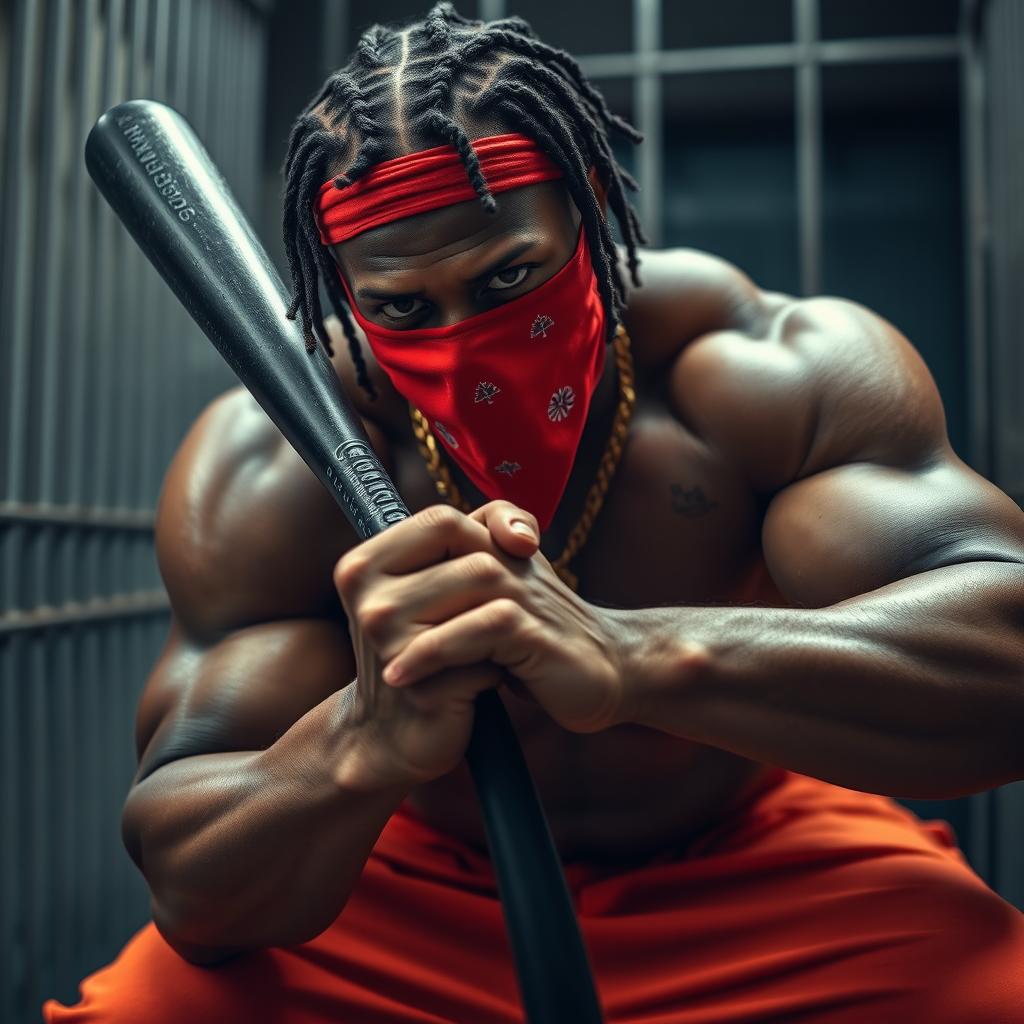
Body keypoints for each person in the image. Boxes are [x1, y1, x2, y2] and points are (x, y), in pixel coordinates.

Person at [45, 4, 1024, 1021]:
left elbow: (1008, 660)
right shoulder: (275, 460)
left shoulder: (756, 374)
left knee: (995, 992)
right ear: (342, 288)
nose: (466, 346)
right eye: (404, 308)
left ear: (589, 200)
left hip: (751, 860)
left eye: (508, 276)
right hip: (412, 892)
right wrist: (357, 740)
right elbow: (190, 887)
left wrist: (638, 657)